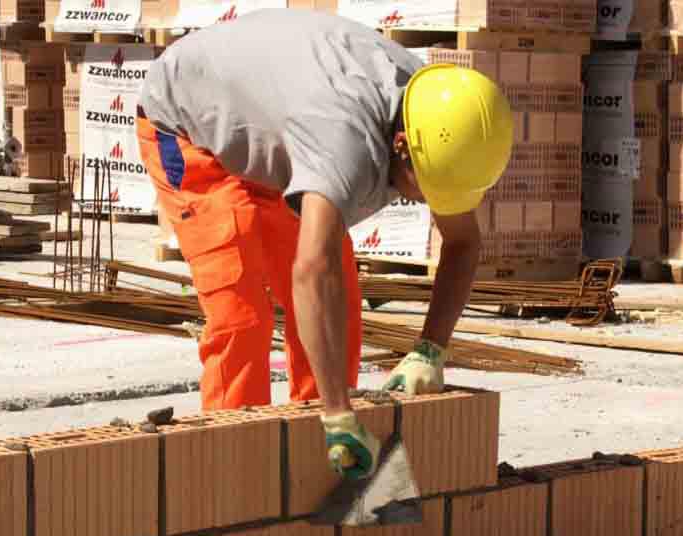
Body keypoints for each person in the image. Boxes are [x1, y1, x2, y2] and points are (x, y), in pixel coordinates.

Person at [137, 8, 513, 479]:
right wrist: (339, 411)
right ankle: (235, 471)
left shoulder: (441, 113)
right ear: (401, 146)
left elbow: (462, 243)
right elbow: (312, 273)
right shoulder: (344, 143)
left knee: (339, 307)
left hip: (277, 126)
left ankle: (313, 461)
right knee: (242, 315)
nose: (430, 202)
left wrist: (430, 350)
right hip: (190, 127)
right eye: (428, 189)